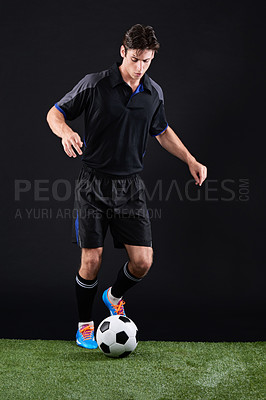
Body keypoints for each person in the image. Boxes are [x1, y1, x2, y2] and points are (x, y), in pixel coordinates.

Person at [46, 24, 207, 349]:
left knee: (143, 262)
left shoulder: (153, 92)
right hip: (94, 184)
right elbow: (55, 113)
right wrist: (65, 132)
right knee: (91, 260)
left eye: (146, 61)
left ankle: (114, 295)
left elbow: (161, 130)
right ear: (123, 52)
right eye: (135, 59)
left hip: (129, 188)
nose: (139, 68)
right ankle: (84, 324)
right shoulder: (95, 84)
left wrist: (190, 158)